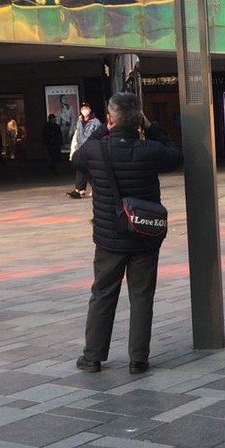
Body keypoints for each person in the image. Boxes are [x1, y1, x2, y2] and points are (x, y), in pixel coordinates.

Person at [73, 93, 183, 374]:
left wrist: (102, 128)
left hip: (109, 237)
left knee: (103, 293)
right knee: (142, 295)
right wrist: (151, 128)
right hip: (145, 236)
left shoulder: (97, 151)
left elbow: (78, 156)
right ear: (138, 121)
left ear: (109, 119)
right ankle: (138, 358)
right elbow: (175, 155)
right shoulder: (151, 150)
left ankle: (93, 356)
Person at [67, 102, 103, 199]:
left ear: (90, 109)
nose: (84, 110)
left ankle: (84, 190)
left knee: (89, 169)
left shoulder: (96, 122)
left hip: (91, 148)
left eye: (86, 108)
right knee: (81, 167)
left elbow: (100, 135)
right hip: (81, 149)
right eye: (82, 108)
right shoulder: (79, 122)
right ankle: (79, 190)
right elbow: (77, 135)